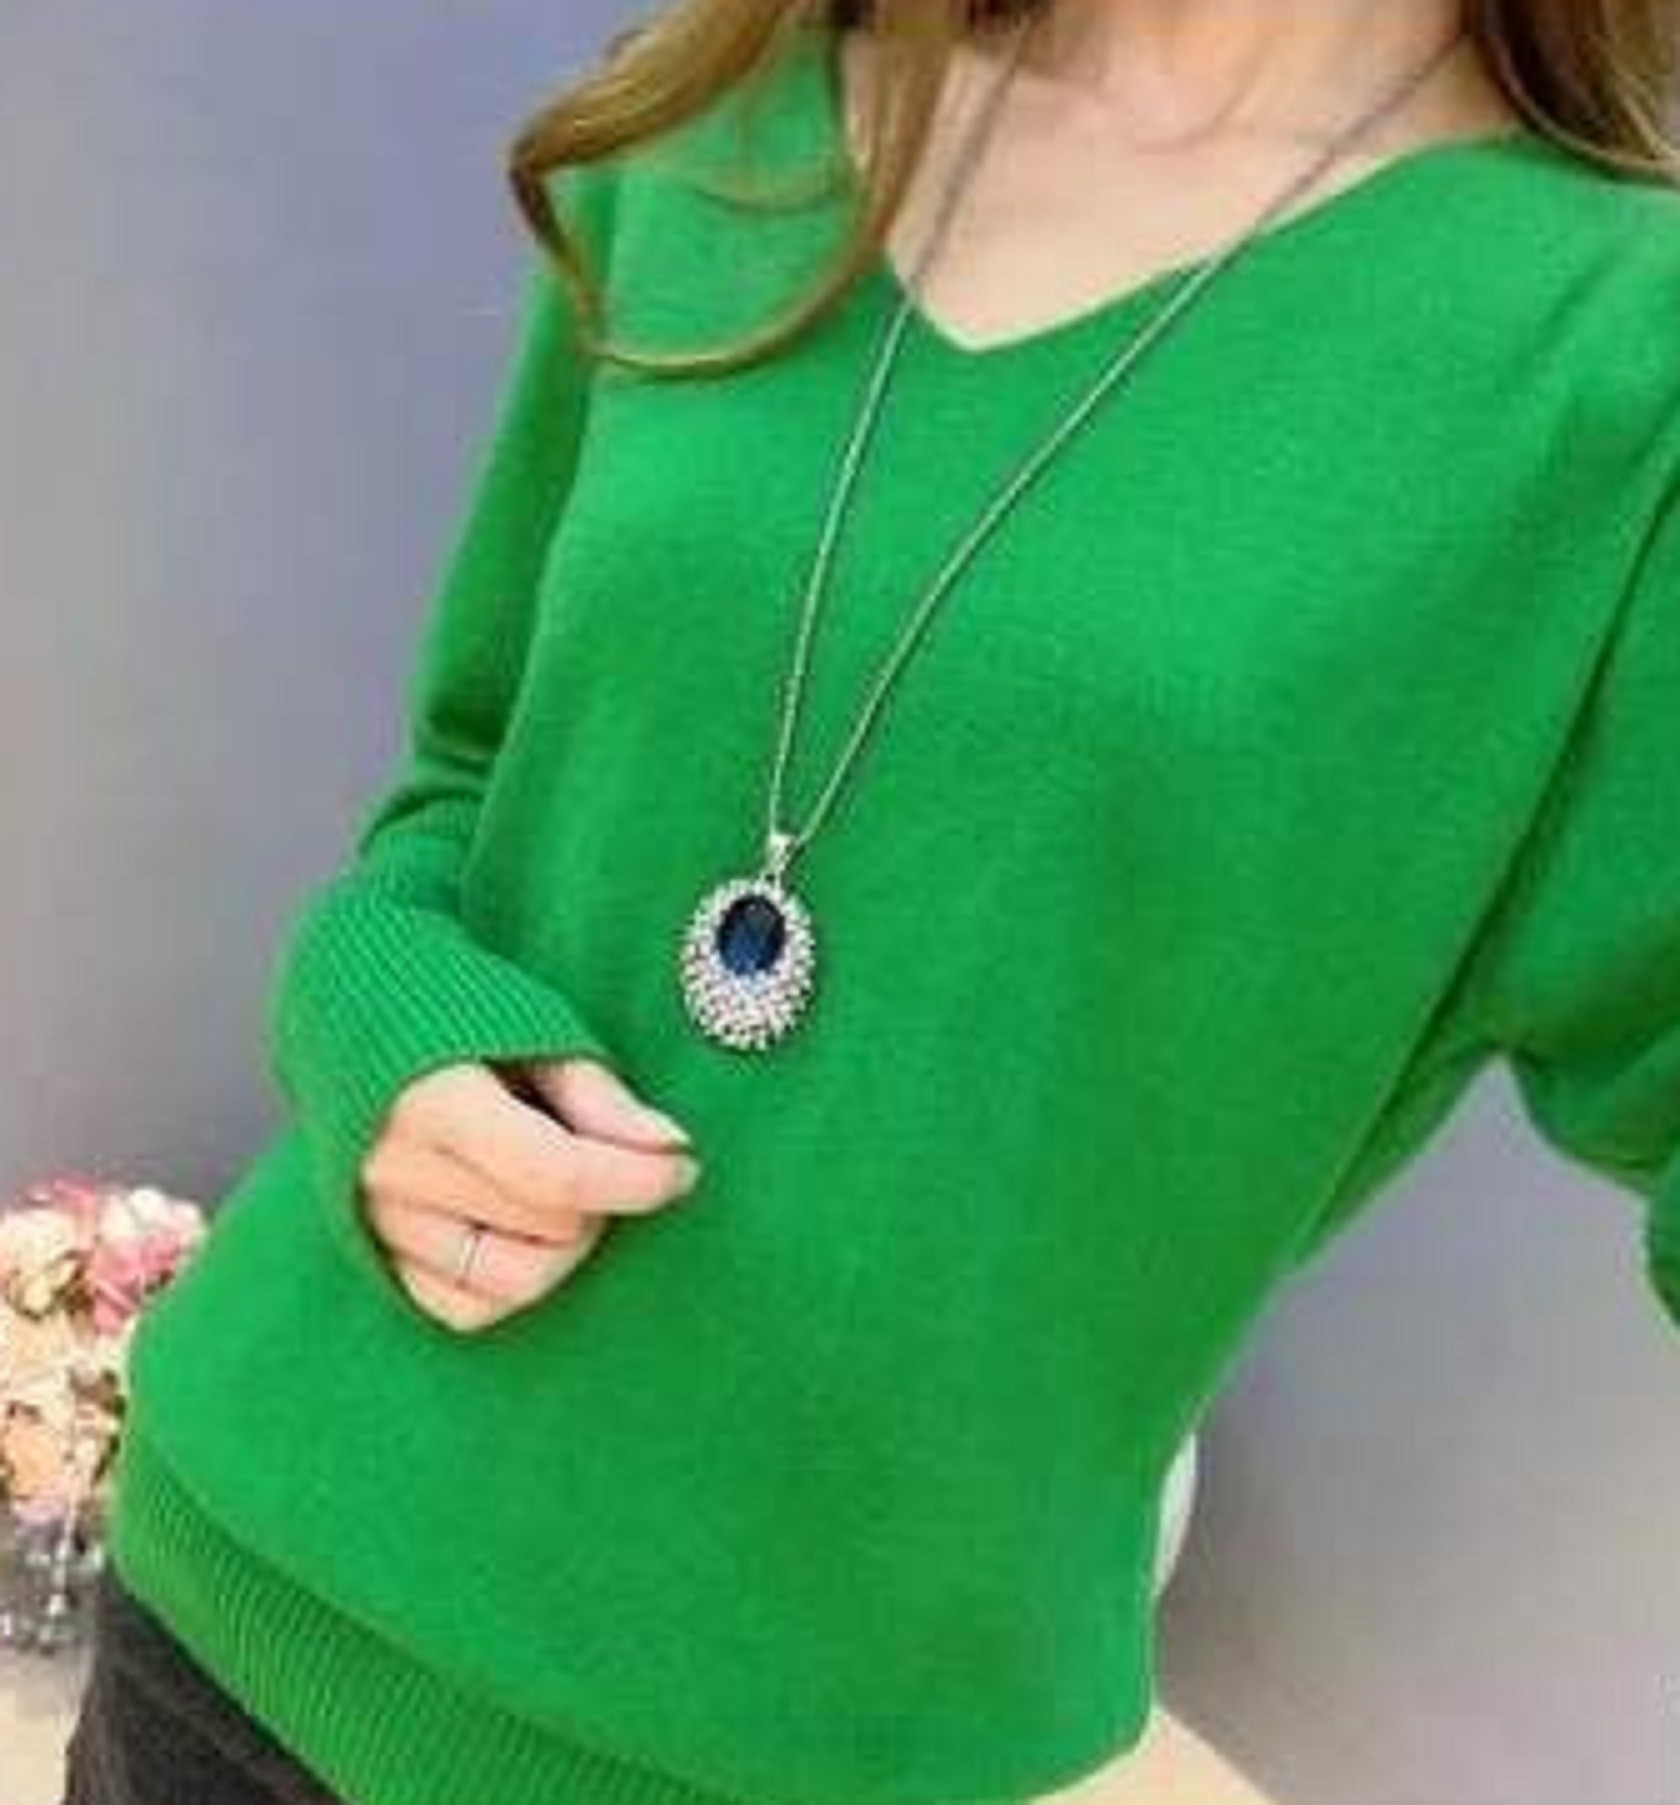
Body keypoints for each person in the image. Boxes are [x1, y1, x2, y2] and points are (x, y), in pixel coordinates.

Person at [62, 0, 1680, 1801]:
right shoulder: (728, 111)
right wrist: (385, 1029)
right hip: (249, 1578)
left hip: (791, 1753)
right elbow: (462, 790)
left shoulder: (1619, 375)